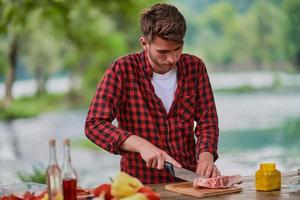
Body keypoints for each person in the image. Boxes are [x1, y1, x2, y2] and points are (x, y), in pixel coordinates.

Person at [85, 3, 220, 184]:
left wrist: (206, 157)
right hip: (139, 186)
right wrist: (141, 145)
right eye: (163, 52)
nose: (172, 59)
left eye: (177, 49)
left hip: (188, 183)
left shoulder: (195, 67)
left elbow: (207, 121)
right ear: (144, 43)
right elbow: (94, 124)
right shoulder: (123, 70)